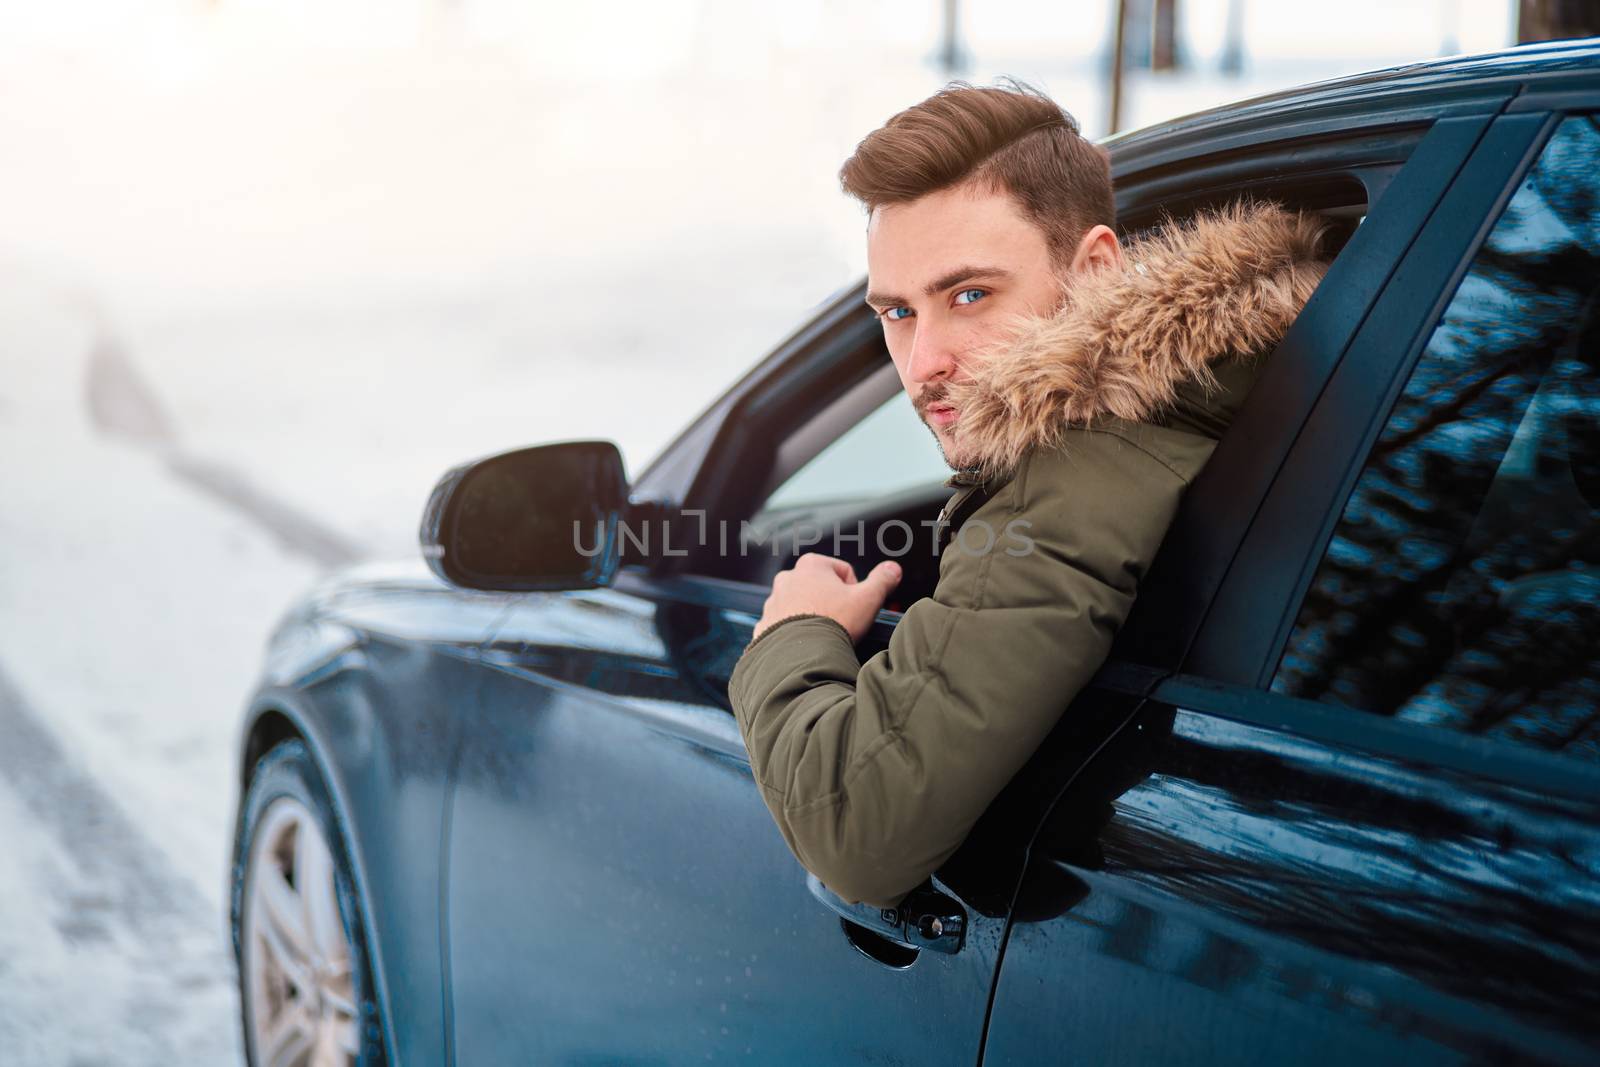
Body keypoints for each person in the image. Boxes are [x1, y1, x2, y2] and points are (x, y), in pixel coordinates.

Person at [727, 81, 1330, 907]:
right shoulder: (1220, 392)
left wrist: (794, 635)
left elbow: (857, 836)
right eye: (898, 311)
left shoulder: (1070, 483)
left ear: (1096, 269)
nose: (923, 359)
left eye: (969, 295)